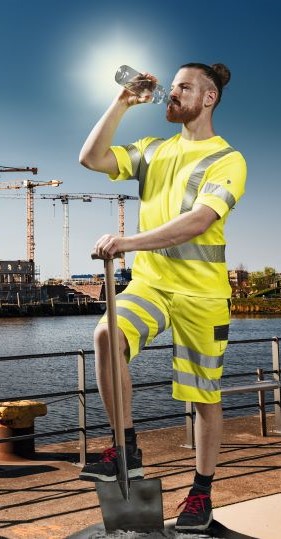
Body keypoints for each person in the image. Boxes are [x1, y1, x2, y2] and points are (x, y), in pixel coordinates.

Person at [78, 62, 247, 531]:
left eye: (184, 87)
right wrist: (122, 102)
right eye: (171, 87)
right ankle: (124, 449)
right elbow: (91, 158)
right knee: (108, 335)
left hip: (201, 295)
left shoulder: (227, 159)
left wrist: (126, 243)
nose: (172, 94)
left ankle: (201, 492)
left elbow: (198, 221)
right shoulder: (152, 150)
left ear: (208, 98)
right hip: (151, 284)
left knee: (203, 397)